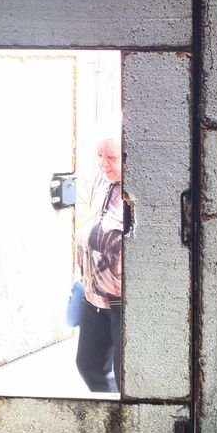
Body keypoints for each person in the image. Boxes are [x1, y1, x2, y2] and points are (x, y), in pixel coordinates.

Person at [75, 136, 128, 393]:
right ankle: (109, 409)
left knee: (125, 374)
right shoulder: (101, 183)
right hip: (93, 296)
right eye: (100, 156)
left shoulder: (135, 192)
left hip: (122, 302)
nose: (103, 164)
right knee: (88, 365)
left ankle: (121, 413)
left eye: (111, 157)